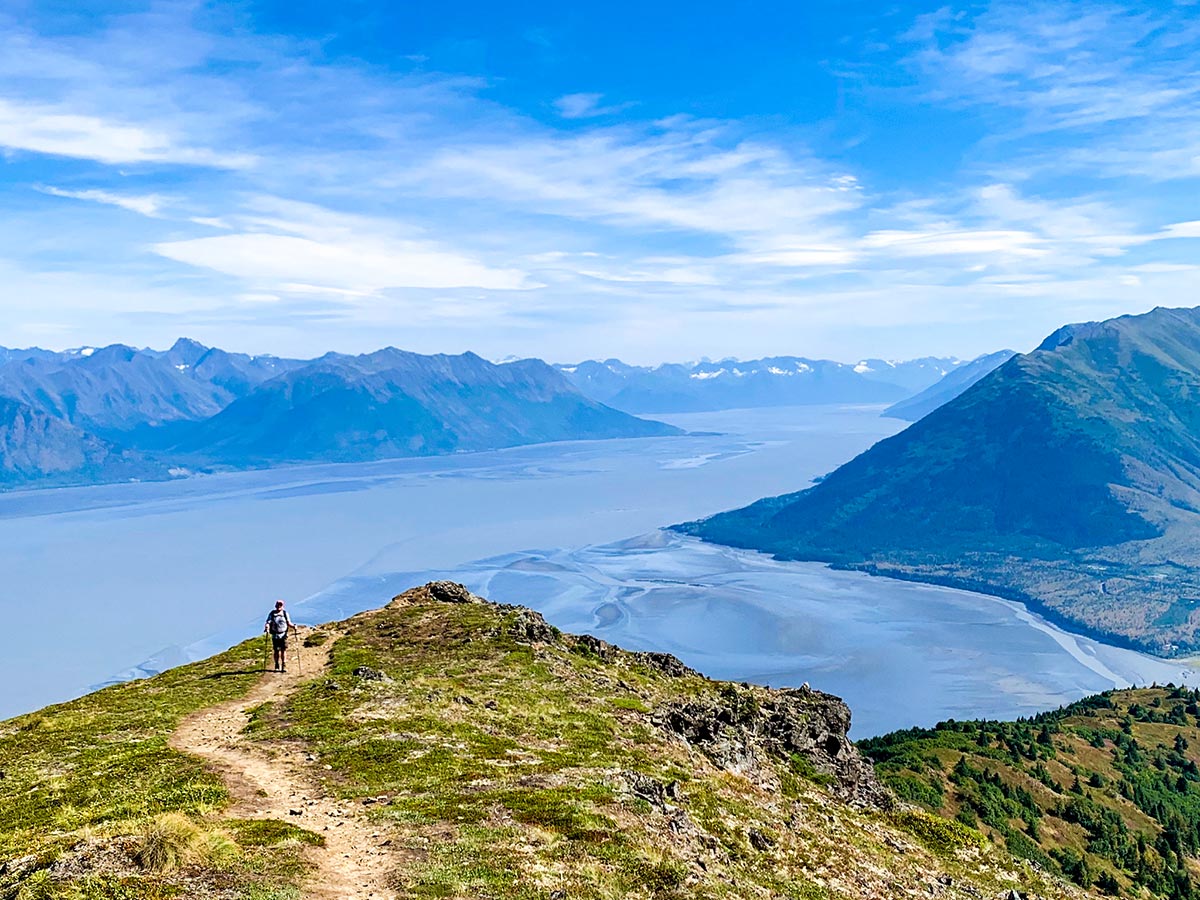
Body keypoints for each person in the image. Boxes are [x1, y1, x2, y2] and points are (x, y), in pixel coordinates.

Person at [264, 600, 295, 672]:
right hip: (275, 635)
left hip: (283, 634)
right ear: (275, 606)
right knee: (276, 651)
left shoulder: (285, 613)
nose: (279, 606)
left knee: (283, 650)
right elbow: (268, 622)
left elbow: (288, 623)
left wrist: (293, 626)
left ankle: (284, 665)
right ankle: (277, 665)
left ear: (282, 606)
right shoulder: (272, 613)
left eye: (280, 605)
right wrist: (267, 627)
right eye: (278, 605)